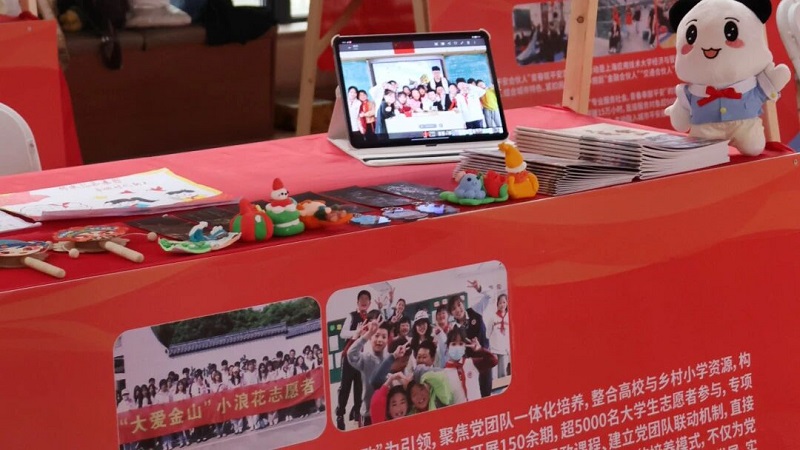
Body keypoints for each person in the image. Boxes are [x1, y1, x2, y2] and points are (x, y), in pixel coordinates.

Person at [336, 290, 371, 429]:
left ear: (369, 303)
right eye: (362, 299)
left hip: (362, 359)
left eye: (366, 299)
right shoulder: (351, 316)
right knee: (345, 387)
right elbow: (342, 333)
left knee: (359, 388)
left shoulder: (370, 318)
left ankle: (357, 414)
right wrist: (356, 332)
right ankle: (340, 414)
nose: (364, 301)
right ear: (357, 302)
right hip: (349, 357)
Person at [346, 318, 392, 427]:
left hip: (387, 413)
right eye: (376, 336)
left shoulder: (390, 359)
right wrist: (369, 333)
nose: (380, 340)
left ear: (387, 340)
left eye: (384, 337)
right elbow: (351, 354)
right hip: (368, 415)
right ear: (371, 338)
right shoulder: (366, 358)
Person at [442, 327, 498, 404]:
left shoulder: (472, 363)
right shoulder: (444, 373)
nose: (457, 347)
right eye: (454, 344)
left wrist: (480, 350)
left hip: (477, 408)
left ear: (465, 347)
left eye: (461, 344)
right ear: (448, 347)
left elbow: (493, 361)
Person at [486, 293, 511, 379]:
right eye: (500, 303)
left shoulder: (509, 317)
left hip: (504, 349)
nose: (502, 305)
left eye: (504, 302)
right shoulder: (493, 317)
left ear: (507, 303)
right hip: (494, 349)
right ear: (497, 304)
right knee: (494, 373)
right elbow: (488, 334)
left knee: (503, 373)